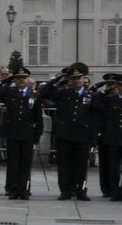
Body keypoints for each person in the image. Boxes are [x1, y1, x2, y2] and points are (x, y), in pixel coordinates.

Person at [41, 63, 96, 200]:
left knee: (81, 166)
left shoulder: (92, 95)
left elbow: (96, 118)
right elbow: (44, 93)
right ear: (70, 80)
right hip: (65, 135)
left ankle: (81, 190)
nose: (77, 81)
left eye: (79, 78)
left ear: (83, 79)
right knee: (65, 165)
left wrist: (94, 137)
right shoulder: (63, 93)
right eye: (73, 78)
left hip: (83, 135)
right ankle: (66, 190)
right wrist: (59, 81)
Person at [0, 67, 43, 200]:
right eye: (18, 78)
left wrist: (37, 134)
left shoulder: (34, 94)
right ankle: (13, 189)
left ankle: (24, 189)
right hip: (13, 132)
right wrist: (5, 80)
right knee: (13, 163)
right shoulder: (8, 92)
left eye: (24, 78)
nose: (21, 80)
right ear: (15, 79)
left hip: (28, 133)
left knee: (25, 163)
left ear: (28, 79)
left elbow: (38, 117)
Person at [89, 74, 122, 201]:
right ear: (117, 87)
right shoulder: (109, 99)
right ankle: (115, 192)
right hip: (113, 138)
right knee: (113, 167)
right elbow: (95, 105)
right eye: (120, 86)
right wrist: (106, 90)